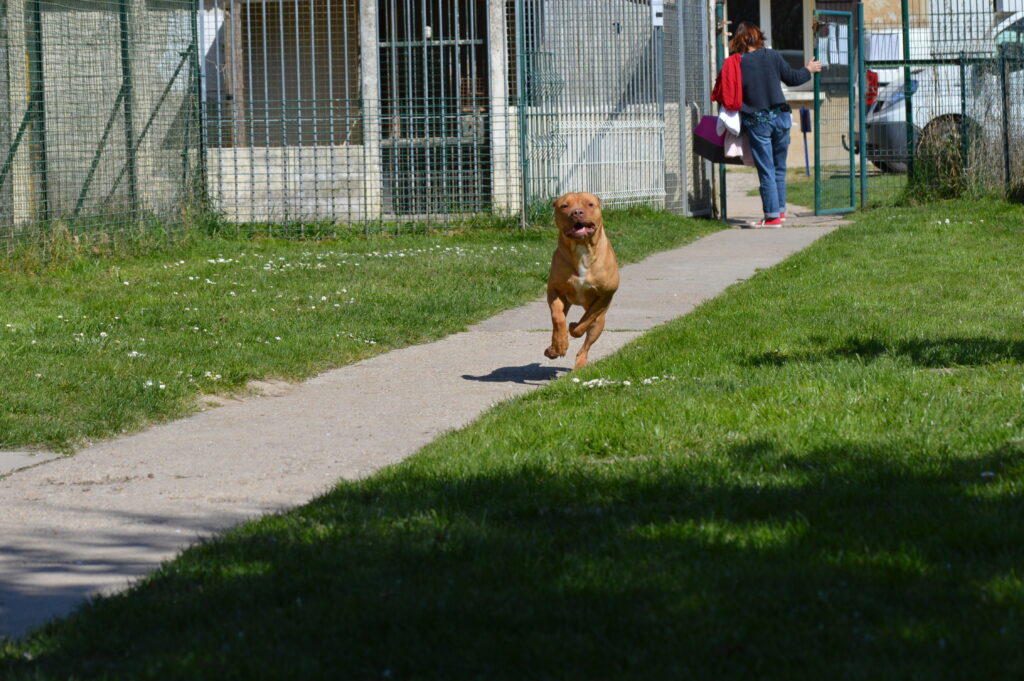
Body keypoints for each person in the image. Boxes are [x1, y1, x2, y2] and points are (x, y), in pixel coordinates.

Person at [729, 22, 822, 227]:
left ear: (740, 41)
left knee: (766, 169)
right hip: (782, 117)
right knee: (779, 168)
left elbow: (730, 92)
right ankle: (779, 211)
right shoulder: (772, 56)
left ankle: (772, 217)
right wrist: (809, 69)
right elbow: (793, 79)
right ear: (758, 38)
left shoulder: (738, 63)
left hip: (758, 121)